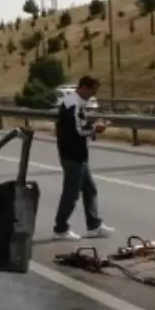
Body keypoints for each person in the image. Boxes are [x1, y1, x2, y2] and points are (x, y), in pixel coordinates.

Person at [53, 76, 114, 241]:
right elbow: (76, 131)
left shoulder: (76, 103)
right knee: (71, 194)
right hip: (71, 155)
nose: (93, 94)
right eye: (93, 90)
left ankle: (94, 225)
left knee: (89, 189)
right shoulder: (71, 104)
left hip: (78, 154)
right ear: (84, 88)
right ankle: (60, 228)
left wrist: (92, 126)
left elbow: (79, 125)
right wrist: (96, 129)